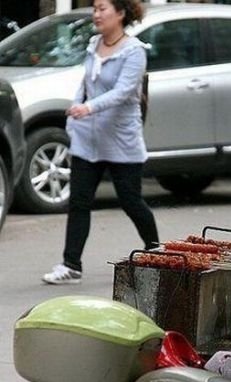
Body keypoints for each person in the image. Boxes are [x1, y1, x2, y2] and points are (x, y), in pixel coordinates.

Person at [42, 0, 158, 285]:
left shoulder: (134, 52)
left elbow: (122, 92)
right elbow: (85, 84)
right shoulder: (94, 44)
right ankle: (71, 265)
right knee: (79, 202)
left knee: (131, 201)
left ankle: (157, 252)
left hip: (120, 140)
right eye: (94, 8)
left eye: (102, 8)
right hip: (88, 139)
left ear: (120, 13)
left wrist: (89, 108)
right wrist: (75, 111)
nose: (96, 14)